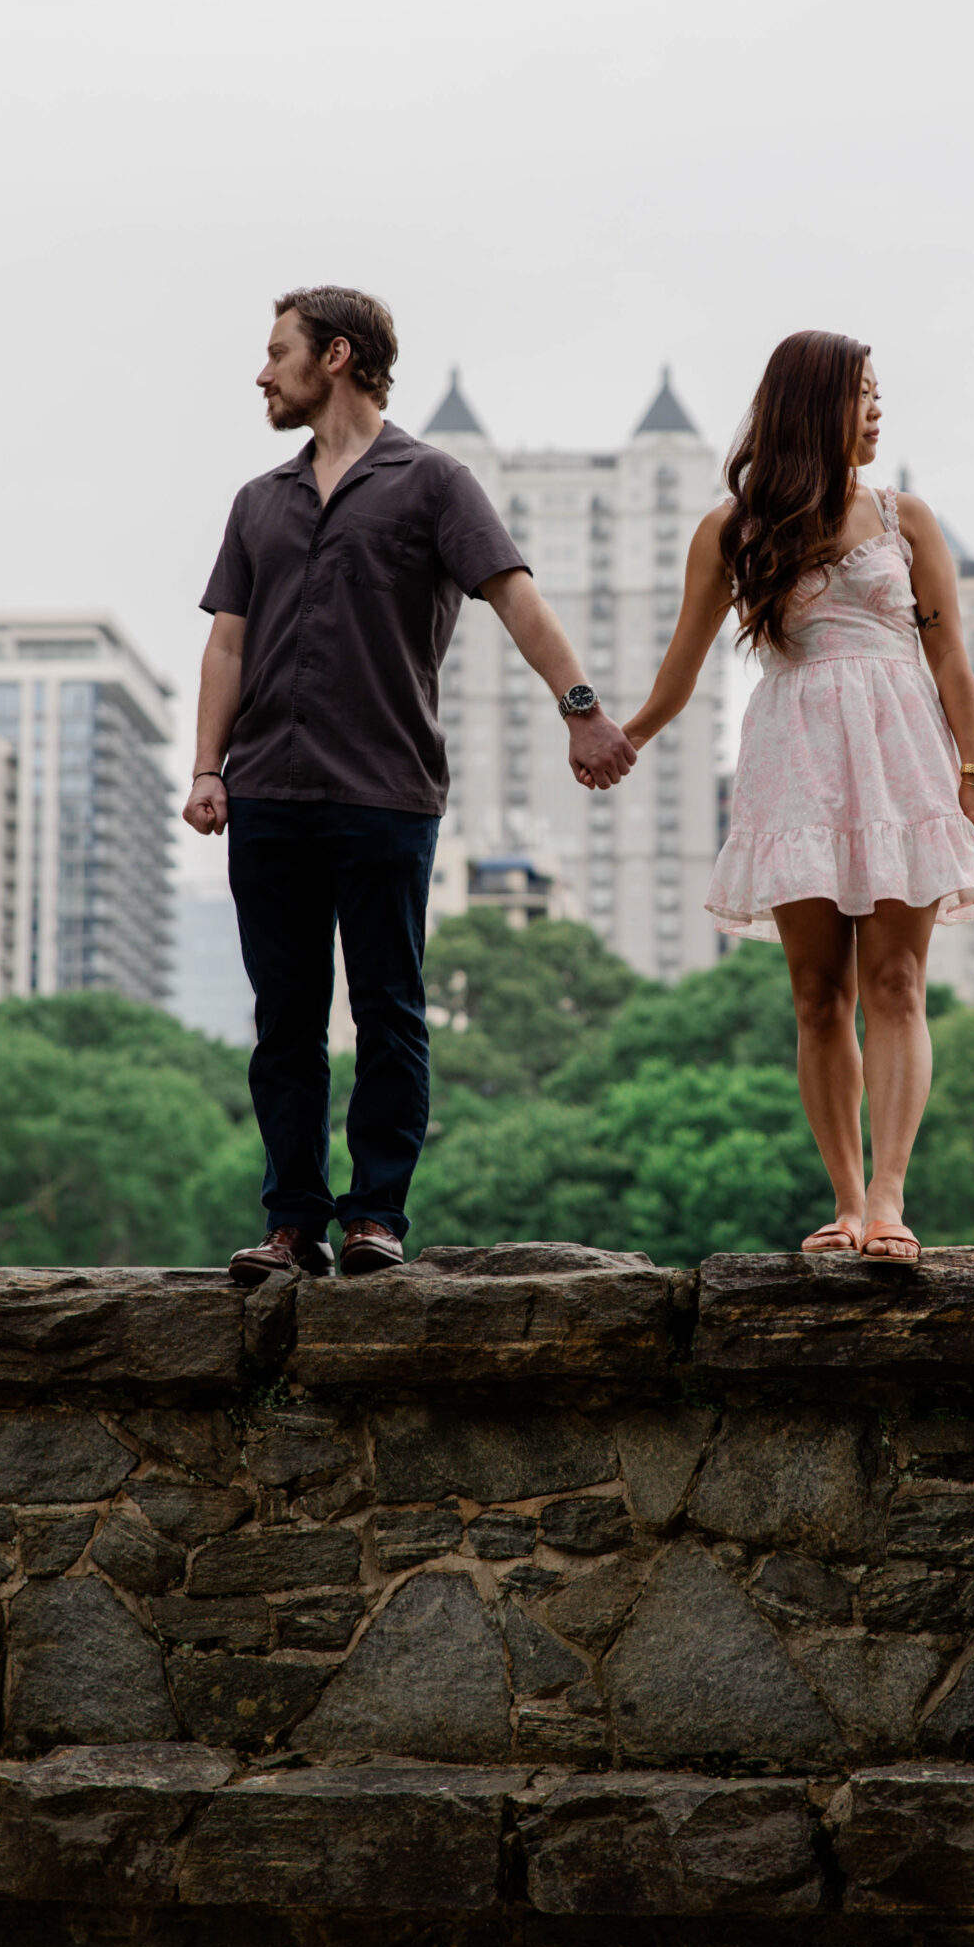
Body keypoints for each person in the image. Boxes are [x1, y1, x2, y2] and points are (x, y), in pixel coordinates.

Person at [184, 285, 637, 1283]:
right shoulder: (259, 501)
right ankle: (293, 1225)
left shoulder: (434, 481)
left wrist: (583, 706)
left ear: (336, 357)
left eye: (277, 352)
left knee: (389, 1007)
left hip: (386, 793)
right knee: (286, 1021)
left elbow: (514, 595)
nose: (261, 373)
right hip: (268, 796)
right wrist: (208, 768)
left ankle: (376, 1217)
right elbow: (227, 641)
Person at [623, 330, 974, 1263]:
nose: (877, 411)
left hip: (901, 756)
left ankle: (888, 1198)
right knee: (816, 993)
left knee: (896, 983)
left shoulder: (905, 517)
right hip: (794, 758)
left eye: (880, 395)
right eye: (863, 394)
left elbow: (949, 654)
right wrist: (623, 736)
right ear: (813, 404)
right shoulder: (731, 528)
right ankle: (841, 1201)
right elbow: (683, 666)